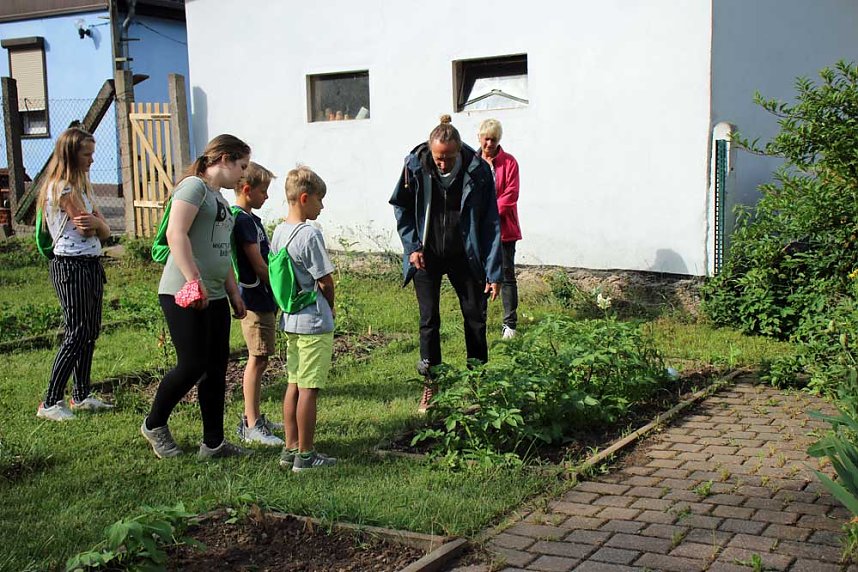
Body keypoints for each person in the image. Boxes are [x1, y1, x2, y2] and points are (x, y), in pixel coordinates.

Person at [141, 134, 251, 459]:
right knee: (192, 364)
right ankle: (154, 423)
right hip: (183, 292)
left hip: (215, 294)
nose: (243, 174)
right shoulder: (193, 188)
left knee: (217, 369)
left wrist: (234, 293)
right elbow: (176, 233)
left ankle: (213, 443)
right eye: (242, 166)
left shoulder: (221, 200)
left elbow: (220, 252)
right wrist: (194, 280)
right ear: (224, 159)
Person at [390, 115, 503, 413]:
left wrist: (494, 271)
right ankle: (432, 386)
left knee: (475, 318)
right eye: (439, 158)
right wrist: (412, 247)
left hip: (465, 255)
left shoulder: (477, 170)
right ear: (431, 150)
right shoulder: (415, 166)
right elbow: (401, 207)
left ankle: (477, 385)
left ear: (458, 150)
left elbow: (491, 222)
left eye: (449, 158)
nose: (443, 163)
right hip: (426, 255)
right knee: (429, 321)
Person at [36, 127, 113, 421]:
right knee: (77, 331)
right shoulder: (62, 188)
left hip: (90, 263)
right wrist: (96, 223)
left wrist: (97, 223)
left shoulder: (81, 188)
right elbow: (86, 226)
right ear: (71, 154)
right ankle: (51, 401)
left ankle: (81, 394)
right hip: (71, 266)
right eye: (87, 154)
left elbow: (104, 230)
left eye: (92, 153)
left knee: (90, 331)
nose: (92, 159)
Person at [270, 166, 337, 472]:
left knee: (294, 384)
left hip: (291, 319)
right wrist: (331, 307)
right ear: (304, 198)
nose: (321, 207)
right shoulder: (309, 234)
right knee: (310, 388)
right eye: (319, 201)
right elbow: (325, 280)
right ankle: (306, 457)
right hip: (313, 321)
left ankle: (290, 448)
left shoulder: (279, 231)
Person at [232, 162, 284, 446]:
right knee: (257, 358)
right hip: (255, 299)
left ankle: (253, 417)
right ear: (247, 190)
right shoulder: (241, 221)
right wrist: (280, 291)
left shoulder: (250, 218)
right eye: (263, 191)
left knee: (260, 358)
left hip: (261, 297)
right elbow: (258, 264)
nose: (266, 196)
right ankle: (251, 424)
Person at [478, 119, 521, 339]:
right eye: (486, 138)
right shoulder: (472, 162)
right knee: (479, 275)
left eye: (493, 139)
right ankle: (479, 319)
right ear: (479, 138)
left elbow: (511, 195)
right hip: (478, 230)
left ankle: (509, 324)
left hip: (504, 228)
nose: (489, 143)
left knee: (506, 275)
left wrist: (489, 215)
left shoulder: (510, 162)